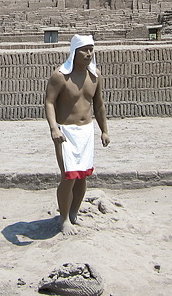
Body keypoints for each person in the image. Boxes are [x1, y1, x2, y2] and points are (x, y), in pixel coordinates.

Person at [44, 34, 110, 235]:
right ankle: (63, 219)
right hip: (66, 132)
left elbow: (98, 106)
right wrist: (54, 128)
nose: (89, 53)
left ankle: (74, 212)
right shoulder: (60, 76)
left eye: (91, 49)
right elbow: (49, 102)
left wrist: (104, 130)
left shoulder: (95, 76)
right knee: (68, 176)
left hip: (86, 131)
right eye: (85, 49)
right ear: (74, 52)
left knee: (82, 177)